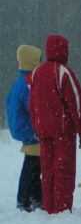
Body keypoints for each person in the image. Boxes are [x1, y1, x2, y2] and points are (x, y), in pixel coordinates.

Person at [29, 34, 81, 214]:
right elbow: (76, 104)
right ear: (64, 50)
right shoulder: (64, 72)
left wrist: (36, 126)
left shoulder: (37, 72)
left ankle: (49, 205)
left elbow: (33, 103)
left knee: (47, 170)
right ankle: (61, 208)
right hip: (62, 131)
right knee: (64, 171)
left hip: (43, 130)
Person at [6, 44, 43, 212]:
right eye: (39, 60)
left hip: (22, 127)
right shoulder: (29, 82)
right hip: (30, 130)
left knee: (34, 165)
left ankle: (35, 197)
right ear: (32, 62)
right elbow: (35, 107)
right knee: (32, 165)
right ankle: (24, 199)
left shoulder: (19, 81)